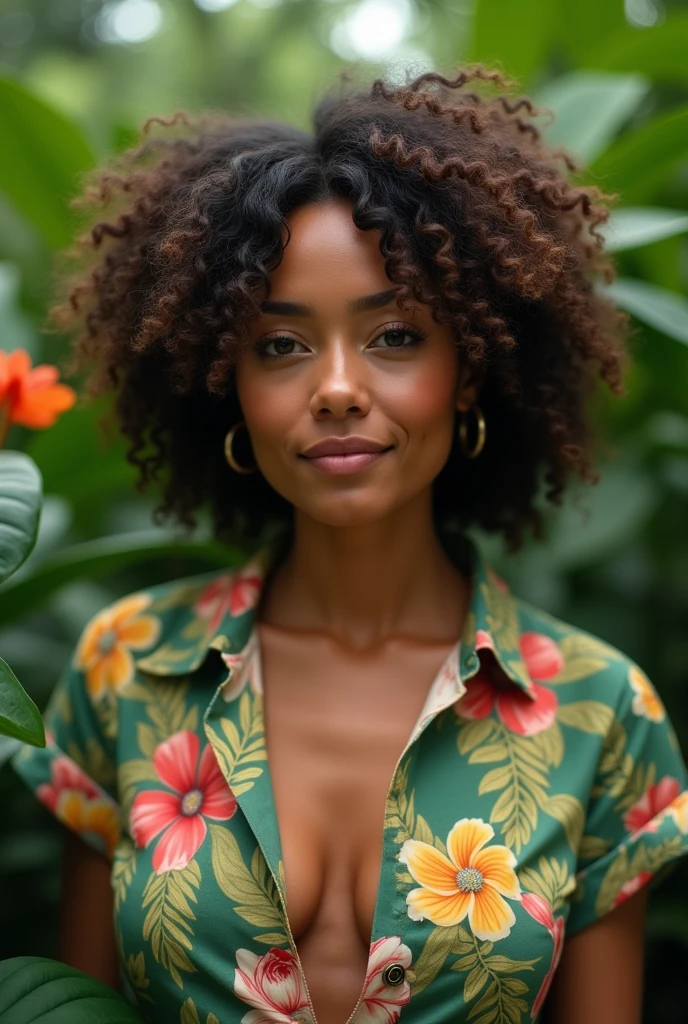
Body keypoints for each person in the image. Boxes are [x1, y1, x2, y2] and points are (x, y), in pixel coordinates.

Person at [11, 64, 688, 1024]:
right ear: (227, 384)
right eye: (280, 345)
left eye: (397, 335)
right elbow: (69, 1008)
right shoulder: (127, 671)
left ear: (471, 369)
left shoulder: (600, 710)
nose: (335, 386)